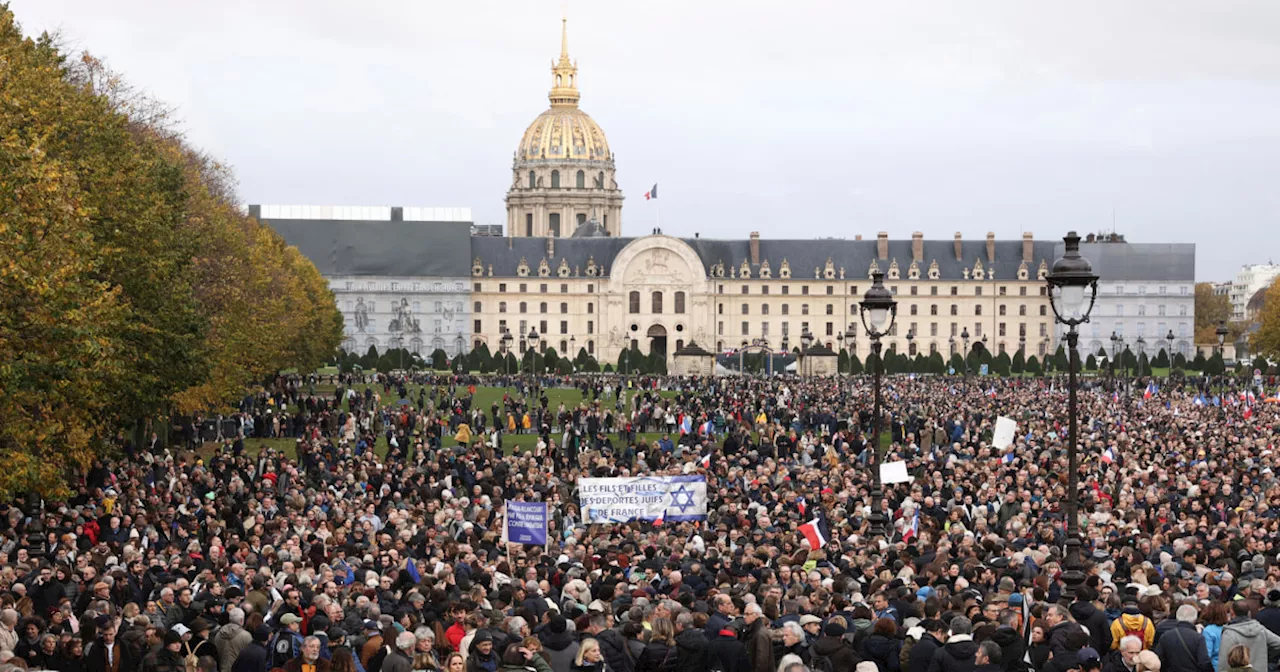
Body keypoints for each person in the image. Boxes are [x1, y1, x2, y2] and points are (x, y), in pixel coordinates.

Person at [1218, 601, 1280, 672]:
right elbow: (1278, 643)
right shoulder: (1260, 629)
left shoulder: (1230, 633)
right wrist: (1266, 656)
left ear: (1232, 612)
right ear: (1249, 613)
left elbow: (1223, 660)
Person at [1153, 606, 1211, 672]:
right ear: (1195, 619)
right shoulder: (1198, 638)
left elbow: (1158, 658)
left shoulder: (1166, 636)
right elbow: (1204, 662)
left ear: (1177, 617)